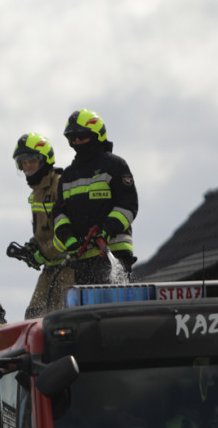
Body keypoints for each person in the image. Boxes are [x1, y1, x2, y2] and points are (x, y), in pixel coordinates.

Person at [51, 109, 138, 285]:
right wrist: (69, 238)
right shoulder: (68, 176)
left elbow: (128, 206)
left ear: (97, 135)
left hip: (114, 251)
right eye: (72, 138)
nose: (76, 141)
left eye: (81, 136)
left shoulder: (115, 165)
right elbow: (59, 214)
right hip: (82, 259)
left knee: (114, 307)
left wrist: (107, 230)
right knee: (86, 310)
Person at [9, 132, 74, 318]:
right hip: (50, 266)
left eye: (32, 161)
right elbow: (44, 230)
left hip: (69, 265)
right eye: (23, 162)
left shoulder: (60, 185)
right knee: (33, 317)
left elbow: (67, 234)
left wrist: (41, 254)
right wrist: (32, 246)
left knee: (62, 318)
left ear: (45, 160)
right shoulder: (36, 192)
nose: (27, 166)